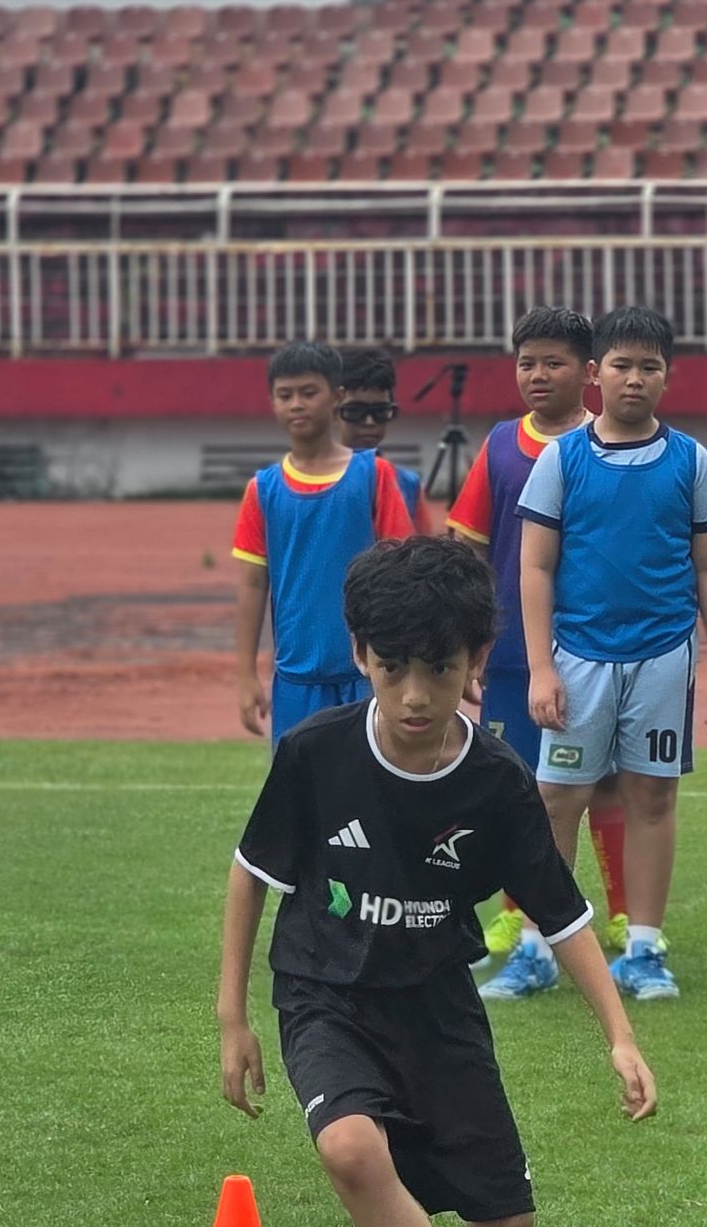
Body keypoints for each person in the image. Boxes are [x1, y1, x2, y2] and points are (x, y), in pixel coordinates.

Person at [217, 535, 657, 1227]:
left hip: (437, 1008)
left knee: (506, 1224)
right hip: (325, 991)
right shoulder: (315, 754)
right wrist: (232, 1014)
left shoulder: (495, 781)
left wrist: (617, 1032)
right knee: (348, 1148)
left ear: (473, 665)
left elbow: (564, 914)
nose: (416, 694)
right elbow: (251, 872)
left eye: (440, 669)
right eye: (395, 669)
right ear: (362, 656)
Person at [517, 305, 707, 1002]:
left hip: (662, 657)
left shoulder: (690, 460)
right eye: (622, 364)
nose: (635, 378)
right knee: (557, 800)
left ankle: (643, 950)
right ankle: (539, 947)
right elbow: (535, 568)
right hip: (579, 655)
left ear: (668, 378)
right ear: (595, 374)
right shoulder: (562, 459)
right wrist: (540, 667)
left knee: (651, 795)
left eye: (650, 367)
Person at [446, 308, 634, 996]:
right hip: (509, 656)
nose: (537, 374)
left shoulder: (611, 443)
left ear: (586, 371)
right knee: (514, 785)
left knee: (605, 781)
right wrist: (467, 644)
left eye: (552, 362)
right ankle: (518, 915)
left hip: (594, 646)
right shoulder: (499, 446)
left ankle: (617, 912)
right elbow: (467, 543)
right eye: (526, 362)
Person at [233, 341, 415, 744]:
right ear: (273, 403)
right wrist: (246, 675)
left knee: (373, 788)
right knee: (303, 796)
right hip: (296, 676)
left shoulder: (374, 476)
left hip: (370, 672)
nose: (297, 404)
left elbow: (404, 571)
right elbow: (251, 585)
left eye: (308, 392)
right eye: (285, 395)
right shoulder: (262, 490)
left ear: (336, 397)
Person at [335, 347, 424, 527]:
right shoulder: (309, 479)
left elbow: (423, 544)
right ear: (332, 410)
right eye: (355, 411)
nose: (369, 422)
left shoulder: (408, 483)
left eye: (380, 411)